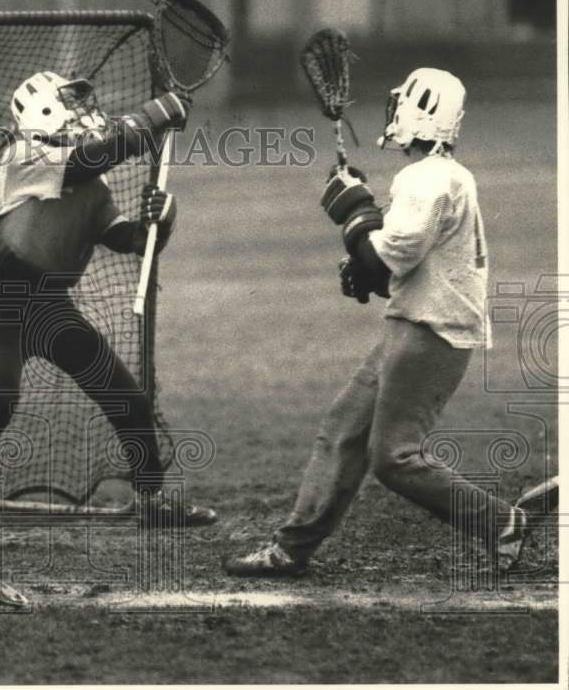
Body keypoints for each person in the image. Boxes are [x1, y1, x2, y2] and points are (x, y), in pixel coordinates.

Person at [224, 68, 540, 577]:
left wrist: (354, 213)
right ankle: (292, 549)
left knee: (393, 457)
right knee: (343, 430)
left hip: (430, 333)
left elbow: (392, 251)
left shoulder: (427, 178)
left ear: (420, 113)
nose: (392, 112)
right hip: (416, 324)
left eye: (402, 104)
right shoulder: (443, 176)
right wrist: (364, 247)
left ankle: (500, 522)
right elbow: (401, 262)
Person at [0, 71, 216, 526]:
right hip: (7, 300)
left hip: (51, 306)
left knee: (128, 399)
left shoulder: (93, 184)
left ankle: (151, 500)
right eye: (70, 101)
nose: (85, 109)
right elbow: (99, 155)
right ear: (44, 110)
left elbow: (128, 239)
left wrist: (160, 223)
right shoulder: (26, 155)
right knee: (0, 401)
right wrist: (155, 116)